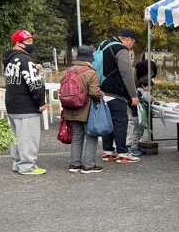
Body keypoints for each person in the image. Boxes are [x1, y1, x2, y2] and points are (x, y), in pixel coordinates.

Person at [2, 29, 47, 176]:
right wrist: (40, 100)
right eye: (28, 42)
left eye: (31, 41)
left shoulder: (9, 60)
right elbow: (33, 83)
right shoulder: (25, 60)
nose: (31, 44)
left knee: (16, 136)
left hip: (12, 103)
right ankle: (27, 166)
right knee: (28, 136)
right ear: (18, 43)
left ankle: (18, 163)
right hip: (26, 104)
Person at [99, 28, 141, 164]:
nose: (132, 45)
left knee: (107, 123)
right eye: (133, 42)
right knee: (120, 123)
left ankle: (108, 152)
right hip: (116, 92)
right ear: (128, 39)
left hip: (102, 91)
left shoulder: (104, 45)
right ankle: (122, 153)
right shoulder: (121, 49)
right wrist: (133, 95)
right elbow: (127, 74)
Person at [61, 46, 105, 174]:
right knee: (91, 136)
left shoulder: (68, 71)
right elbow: (94, 92)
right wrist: (101, 94)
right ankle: (89, 165)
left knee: (77, 136)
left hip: (70, 108)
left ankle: (75, 164)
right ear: (90, 59)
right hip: (86, 109)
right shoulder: (91, 73)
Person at [128, 77, 152, 157]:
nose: (150, 88)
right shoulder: (138, 93)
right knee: (138, 132)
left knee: (139, 131)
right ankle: (133, 148)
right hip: (138, 115)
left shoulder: (141, 92)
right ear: (143, 85)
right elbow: (141, 102)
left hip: (140, 115)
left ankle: (135, 146)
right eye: (149, 86)